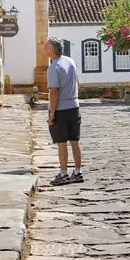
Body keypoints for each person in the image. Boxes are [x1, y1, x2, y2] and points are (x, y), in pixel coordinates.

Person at [44, 37, 83, 186]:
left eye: (46, 46)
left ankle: (63, 173)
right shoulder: (70, 61)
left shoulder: (54, 67)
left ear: (53, 50)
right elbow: (78, 82)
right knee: (75, 142)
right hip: (74, 106)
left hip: (61, 109)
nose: (44, 49)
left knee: (62, 143)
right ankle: (78, 172)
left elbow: (54, 92)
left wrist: (52, 113)